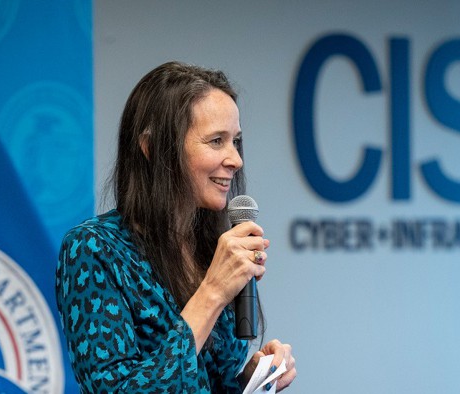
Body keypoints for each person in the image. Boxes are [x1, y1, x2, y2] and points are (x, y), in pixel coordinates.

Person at [55, 61, 297, 392]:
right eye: (216, 141)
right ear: (152, 148)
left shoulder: (211, 246)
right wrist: (211, 292)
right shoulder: (93, 249)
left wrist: (250, 379)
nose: (235, 159)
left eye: (235, 141)